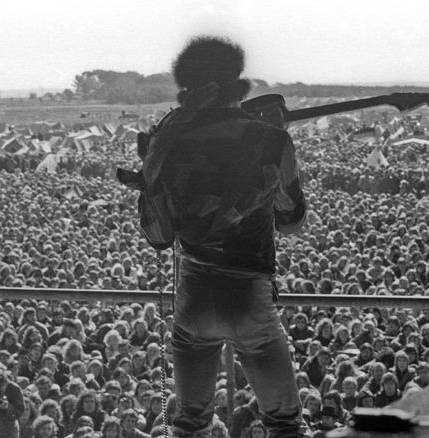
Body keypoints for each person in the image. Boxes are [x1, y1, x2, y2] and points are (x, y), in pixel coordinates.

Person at [122, 36, 307, 438]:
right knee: (284, 424)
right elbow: (291, 220)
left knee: (188, 425)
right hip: (250, 297)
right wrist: (275, 139)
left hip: (194, 297)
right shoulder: (271, 140)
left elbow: (158, 236)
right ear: (236, 80)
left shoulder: (167, 142)